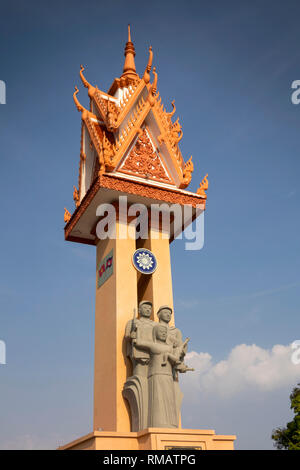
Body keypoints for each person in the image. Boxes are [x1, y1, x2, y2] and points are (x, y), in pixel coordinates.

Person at [133, 323, 187, 428]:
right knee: (158, 399)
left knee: (169, 400)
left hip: (167, 376)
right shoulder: (153, 345)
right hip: (156, 375)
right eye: (160, 332)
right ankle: (157, 423)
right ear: (155, 333)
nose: (163, 334)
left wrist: (181, 365)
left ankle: (170, 424)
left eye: (164, 332)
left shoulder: (170, 347)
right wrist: (136, 330)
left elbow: (176, 359)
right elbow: (138, 342)